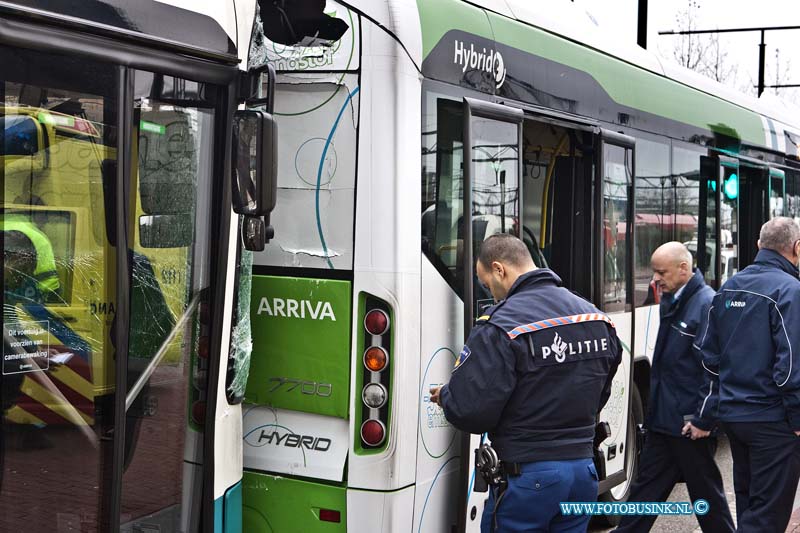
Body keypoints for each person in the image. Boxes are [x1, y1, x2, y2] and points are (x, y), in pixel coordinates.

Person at [429, 233, 621, 533]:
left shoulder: (500, 325)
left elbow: (473, 410)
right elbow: (600, 389)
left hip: (529, 479)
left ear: (499, 269)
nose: (491, 294)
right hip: (583, 474)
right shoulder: (596, 317)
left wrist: (447, 396)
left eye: (486, 283)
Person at [614, 242, 734, 533]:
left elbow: (713, 368)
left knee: (706, 496)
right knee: (646, 490)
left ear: (683, 269)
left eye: (660, 272)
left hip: (686, 424)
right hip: (665, 421)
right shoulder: (676, 298)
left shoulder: (705, 304)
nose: (655, 279)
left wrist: (702, 420)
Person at [695, 217, 800, 532]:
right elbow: (791, 364)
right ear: (797, 248)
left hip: (734, 416)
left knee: (750, 506)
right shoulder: (790, 290)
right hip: (772, 420)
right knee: (767, 516)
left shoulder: (729, 286)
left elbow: (709, 356)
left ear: (758, 246)